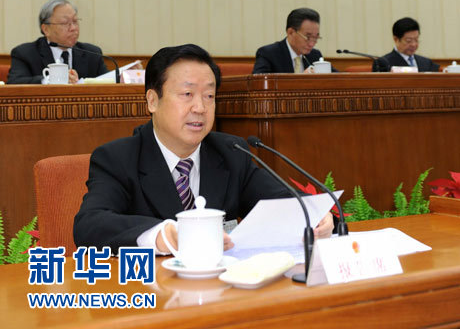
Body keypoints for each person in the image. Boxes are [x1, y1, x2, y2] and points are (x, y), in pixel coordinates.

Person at [74, 44, 333, 254]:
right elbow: (90, 225)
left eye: (209, 96)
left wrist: (314, 216)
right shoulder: (117, 158)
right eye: (187, 94)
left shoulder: (230, 152)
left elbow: (280, 202)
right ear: (152, 100)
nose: (200, 107)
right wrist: (163, 235)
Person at [7, 0, 108, 84]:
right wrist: (51, 80)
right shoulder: (25, 54)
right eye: (65, 23)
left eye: (75, 21)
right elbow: (14, 83)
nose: (73, 28)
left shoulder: (92, 54)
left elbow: (109, 82)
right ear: (46, 29)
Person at [253, 7, 337, 73]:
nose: (312, 44)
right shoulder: (268, 54)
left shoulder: (315, 55)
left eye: (315, 38)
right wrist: (301, 80)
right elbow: (259, 84)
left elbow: (337, 78)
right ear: (291, 32)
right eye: (308, 37)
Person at [372, 17, 439, 72]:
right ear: (396, 39)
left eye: (416, 40)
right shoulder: (383, 63)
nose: (413, 44)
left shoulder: (426, 63)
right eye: (408, 41)